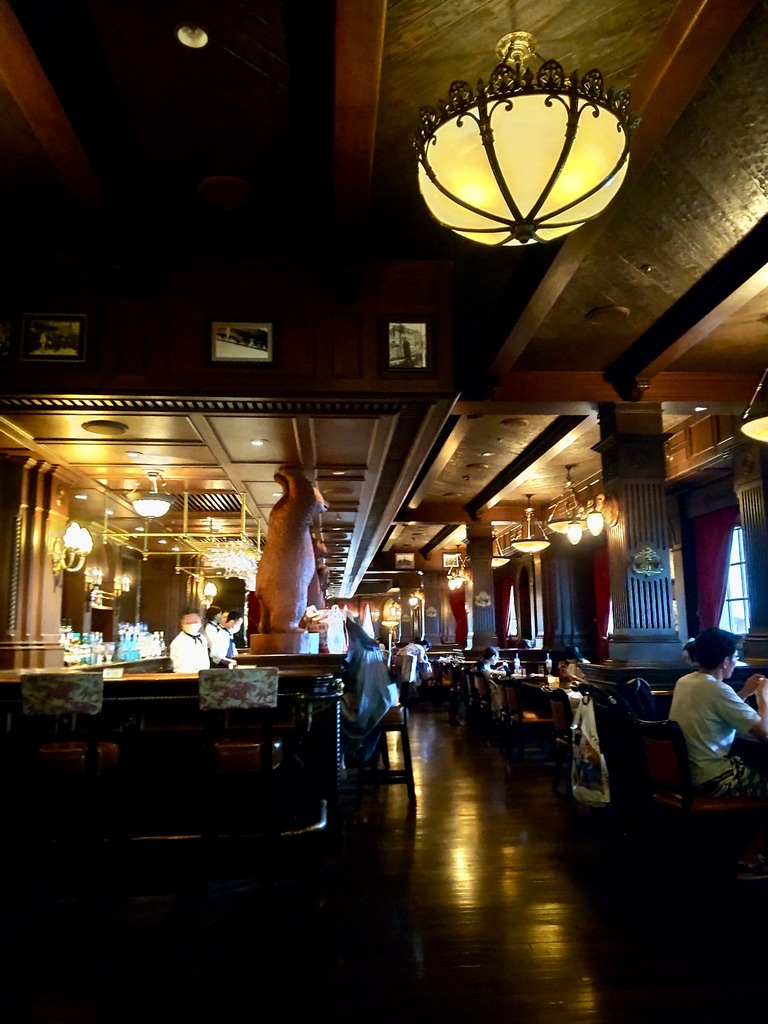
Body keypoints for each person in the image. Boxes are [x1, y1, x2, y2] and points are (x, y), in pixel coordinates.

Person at [669, 627, 768, 880]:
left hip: (684, 774)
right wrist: (763, 698)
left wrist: (744, 693)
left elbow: (717, 708)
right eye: (735, 657)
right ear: (725, 661)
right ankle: (748, 861)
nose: (736, 662)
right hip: (712, 778)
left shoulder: (686, 682)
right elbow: (764, 733)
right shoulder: (716, 689)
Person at [169, 606, 211, 673]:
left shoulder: (202, 638)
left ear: (200, 622)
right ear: (182, 624)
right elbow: (181, 668)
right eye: (188, 623)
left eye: (195, 622)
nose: (192, 625)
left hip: (204, 675)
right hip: (186, 677)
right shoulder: (178, 642)